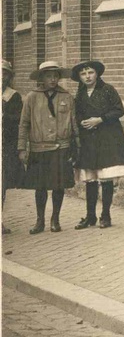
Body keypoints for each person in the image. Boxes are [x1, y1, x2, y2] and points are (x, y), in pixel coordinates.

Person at [71, 60, 124, 229]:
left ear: (97, 74)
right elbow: (76, 113)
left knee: (105, 178)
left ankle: (105, 215)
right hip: (88, 140)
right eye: (83, 74)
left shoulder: (108, 90)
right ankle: (90, 216)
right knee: (90, 179)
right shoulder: (80, 94)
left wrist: (100, 120)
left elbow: (118, 110)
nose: (87, 76)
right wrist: (81, 123)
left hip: (107, 138)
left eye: (90, 72)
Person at [18, 61, 76, 234]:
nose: (52, 79)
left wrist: (75, 148)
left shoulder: (66, 97)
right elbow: (24, 124)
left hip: (61, 147)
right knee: (40, 186)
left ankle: (55, 219)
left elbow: (74, 124)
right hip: (39, 149)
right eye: (49, 76)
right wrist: (22, 148)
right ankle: (40, 220)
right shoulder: (31, 97)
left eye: (55, 76)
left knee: (59, 186)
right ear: (42, 78)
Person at [2, 60, 24, 233]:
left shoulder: (13, 96)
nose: (1, 76)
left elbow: (17, 120)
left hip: (5, 145)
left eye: (5, 73)